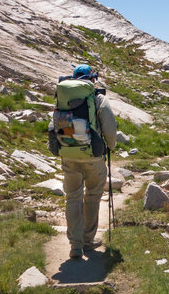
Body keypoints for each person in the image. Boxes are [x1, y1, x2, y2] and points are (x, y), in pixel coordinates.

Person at [48, 64, 117, 260]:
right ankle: (88, 240)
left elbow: (54, 123)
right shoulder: (97, 98)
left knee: (73, 198)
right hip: (93, 155)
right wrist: (110, 146)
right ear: (92, 79)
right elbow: (110, 126)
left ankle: (75, 245)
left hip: (68, 153)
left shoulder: (62, 97)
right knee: (93, 195)